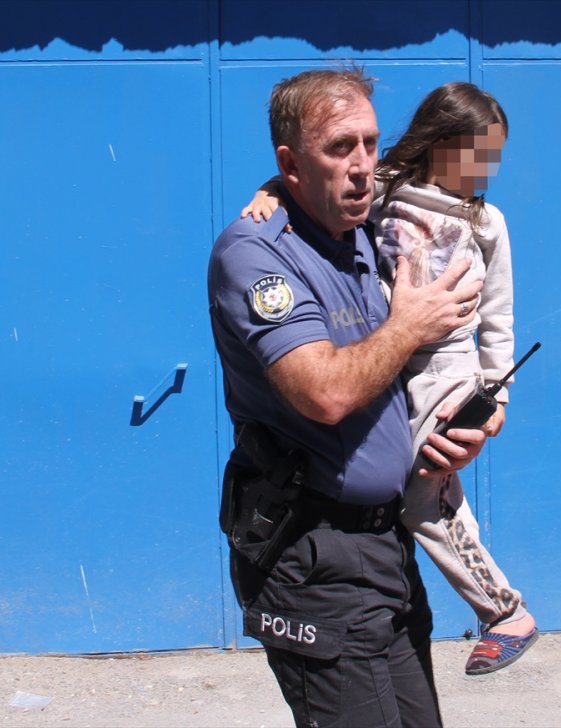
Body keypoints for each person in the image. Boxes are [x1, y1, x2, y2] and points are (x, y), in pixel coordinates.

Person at [208, 69, 488, 727]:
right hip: (313, 556)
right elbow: (326, 393)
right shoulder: (257, 255)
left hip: (387, 545)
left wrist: (457, 428)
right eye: (340, 147)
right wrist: (409, 326)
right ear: (291, 164)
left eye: (370, 142)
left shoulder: (362, 230)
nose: (363, 165)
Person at [241, 82, 538, 676]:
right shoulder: (388, 188)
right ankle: (481, 608)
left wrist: (496, 398)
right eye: (478, 153)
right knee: (417, 493)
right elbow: (308, 182)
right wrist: (267, 193)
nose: (486, 169)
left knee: (424, 493)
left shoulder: (487, 221)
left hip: (448, 369)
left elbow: (499, 317)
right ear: (439, 142)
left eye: (494, 157)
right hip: (393, 361)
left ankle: (505, 612)